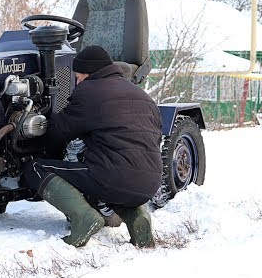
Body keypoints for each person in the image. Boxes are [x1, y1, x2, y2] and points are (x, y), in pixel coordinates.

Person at [22, 45, 163, 248]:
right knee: (122, 175)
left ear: (89, 74)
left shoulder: (89, 91)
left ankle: (84, 218)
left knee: (35, 168)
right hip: (150, 183)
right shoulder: (143, 96)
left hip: (112, 177)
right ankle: (138, 219)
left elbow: (58, 133)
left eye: (78, 77)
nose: (77, 82)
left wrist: (38, 143)